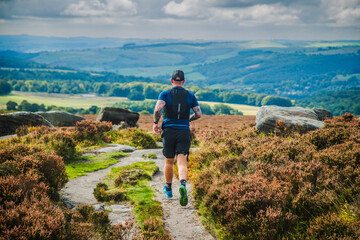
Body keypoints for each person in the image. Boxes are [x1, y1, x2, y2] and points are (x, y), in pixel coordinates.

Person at [153, 70, 202, 206]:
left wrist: (155, 123)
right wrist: (188, 119)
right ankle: (183, 185)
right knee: (182, 162)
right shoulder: (190, 96)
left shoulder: (165, 94)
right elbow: (198, 114)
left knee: (169, 161)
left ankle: (168, 189)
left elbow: (158, 110)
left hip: (169, 131)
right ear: (184, 81)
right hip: (183, 131)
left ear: (172, 80)